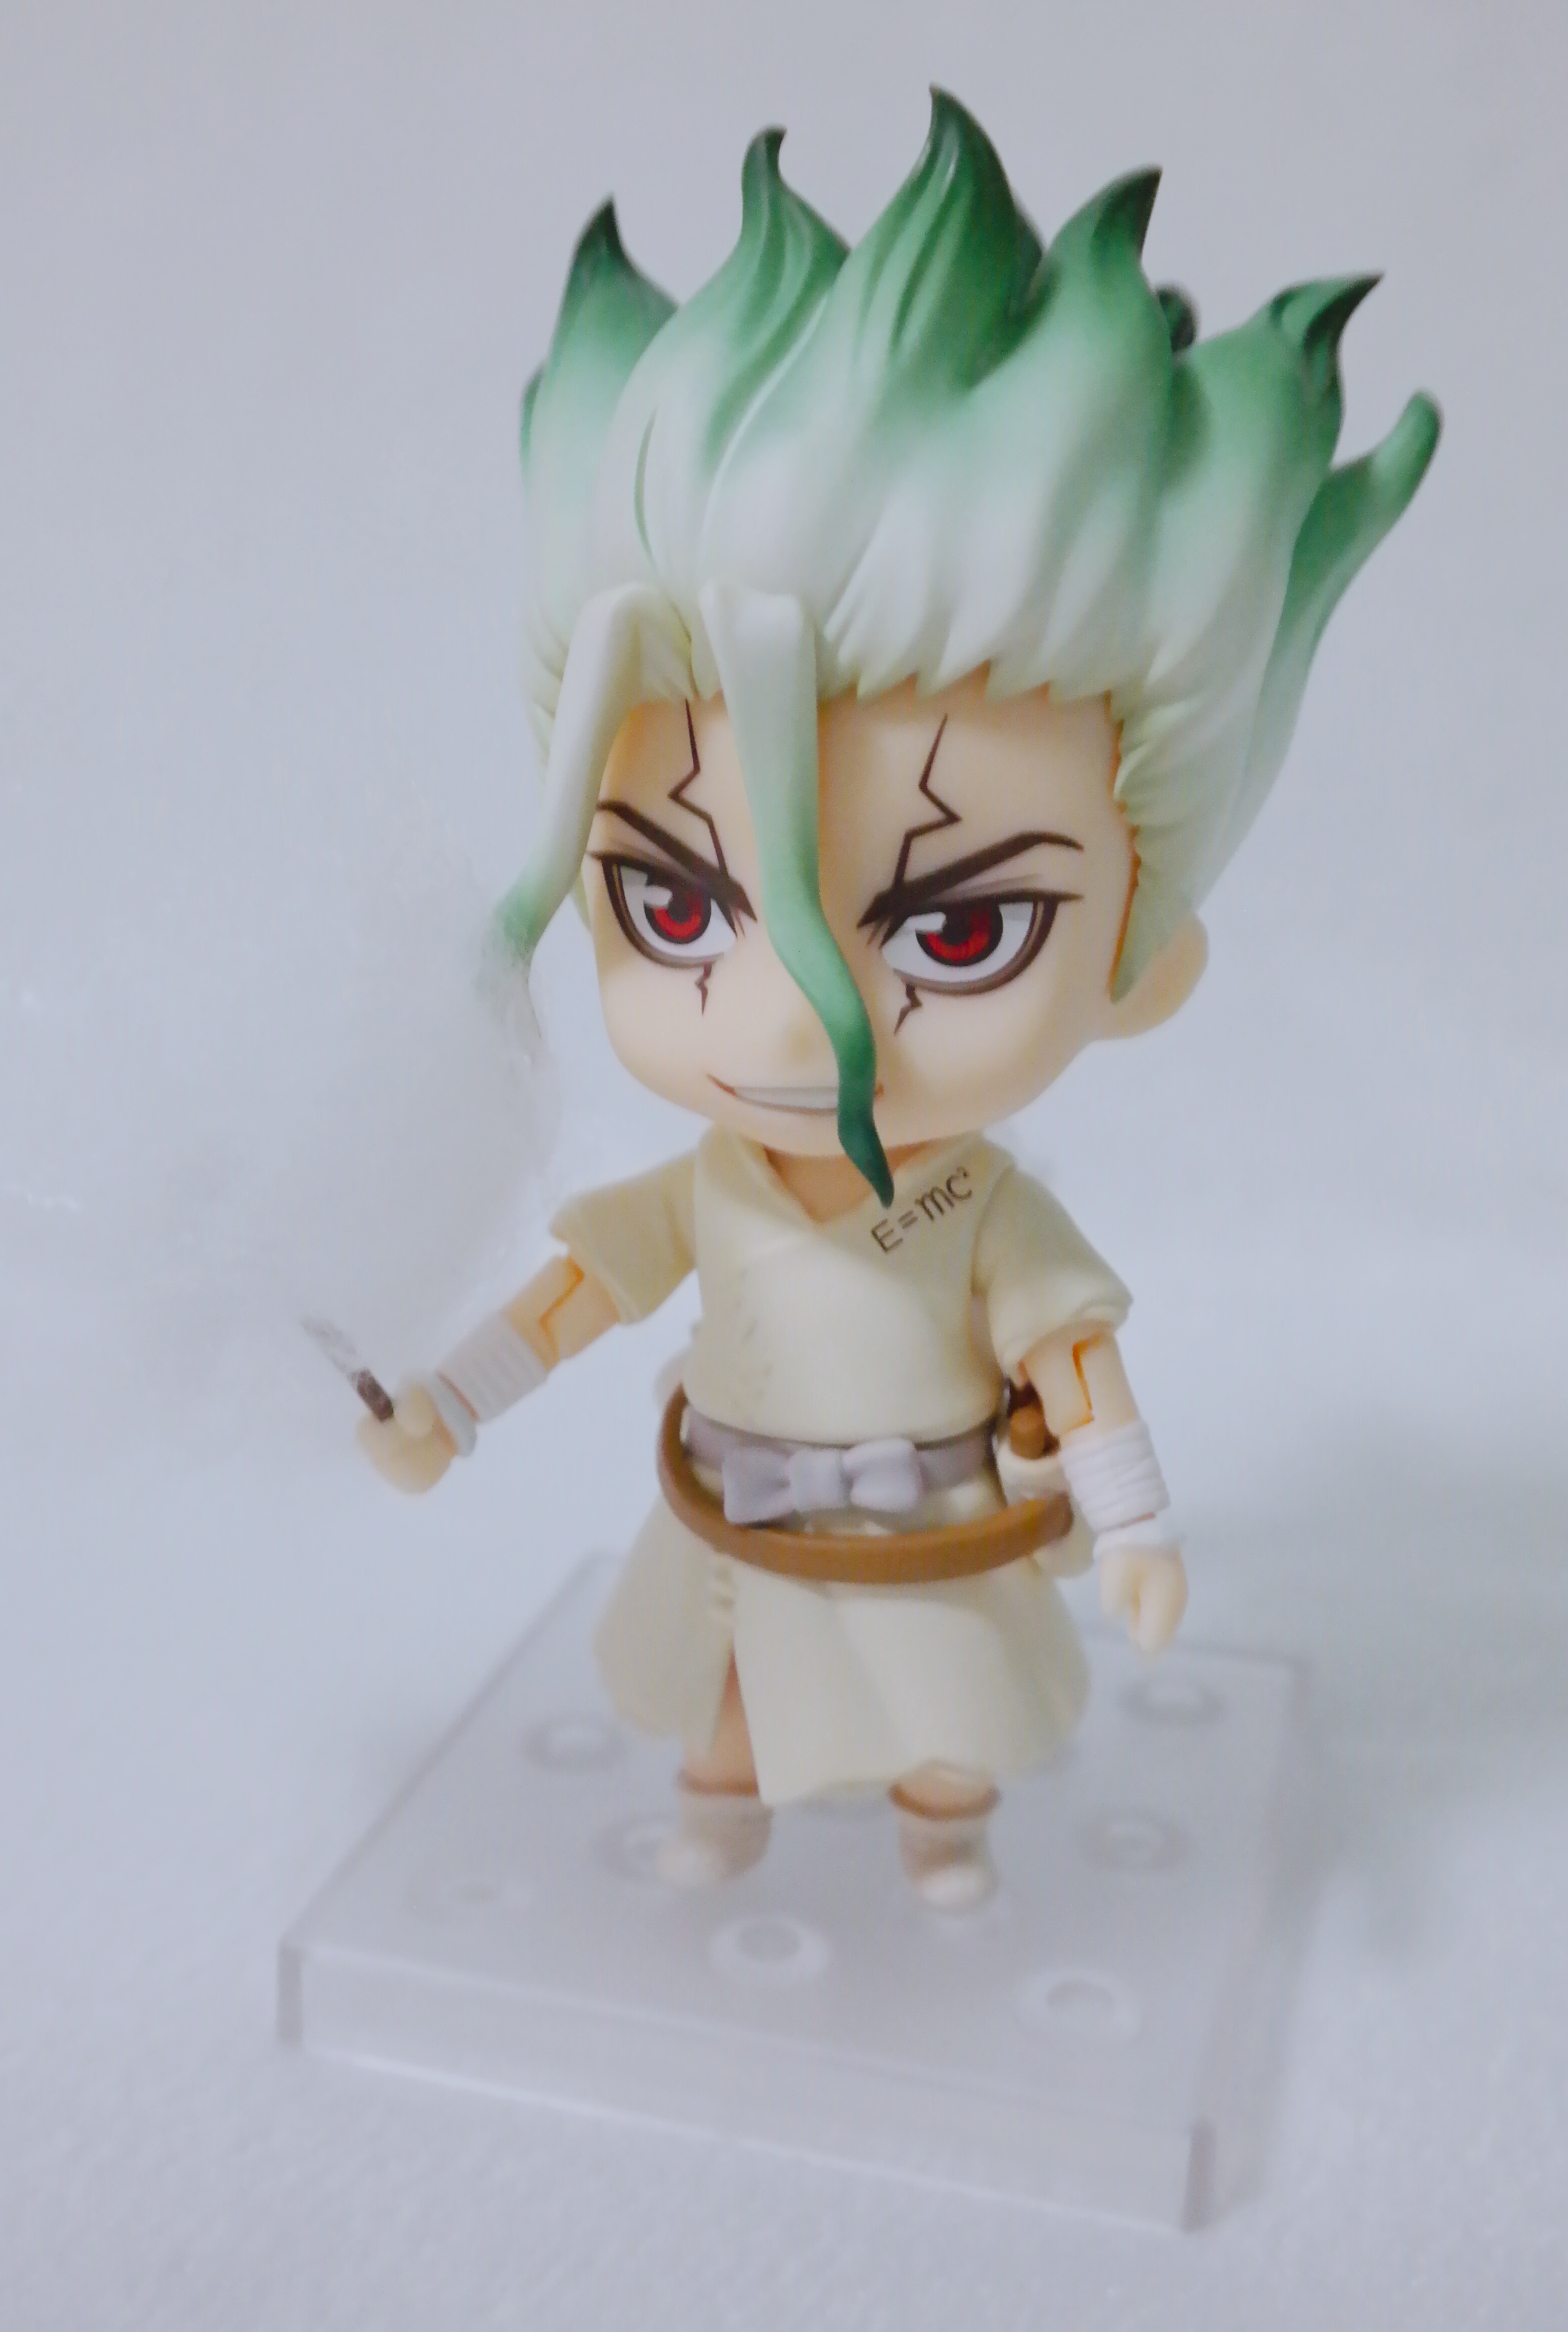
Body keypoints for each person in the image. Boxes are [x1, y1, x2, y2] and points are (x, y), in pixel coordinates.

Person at [360, 94, 1438, 1906]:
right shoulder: (707, 1184)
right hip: (735, 1520)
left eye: (956, 932)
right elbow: (574, 1298)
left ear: (1140, 960)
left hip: (930, 1523)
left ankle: (944, 1827)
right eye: (674, 900)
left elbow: (1071, 1360)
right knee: (726, 1712)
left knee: (945, 1714)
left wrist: (1133, 1522)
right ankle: (724, 1812)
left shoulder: (983, 1211)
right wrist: (445, 1405)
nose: (789, 1023)